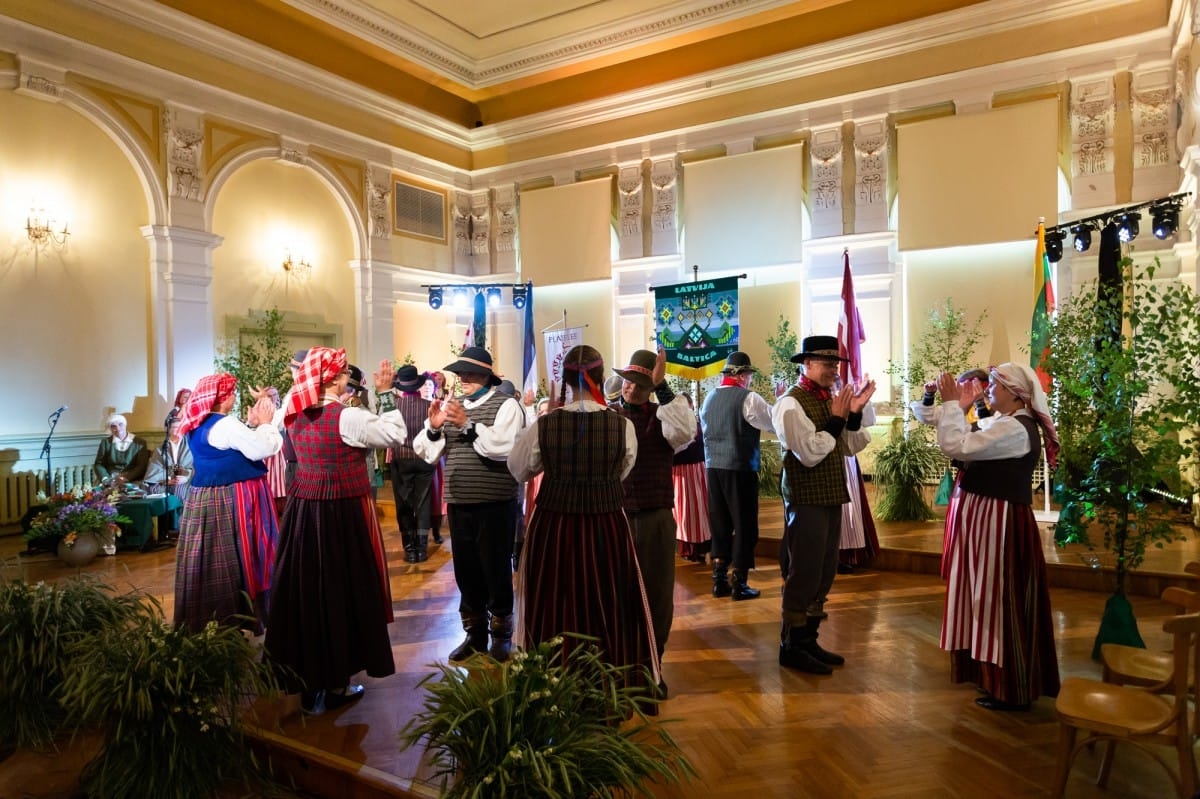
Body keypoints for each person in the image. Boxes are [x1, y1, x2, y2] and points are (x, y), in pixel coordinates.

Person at [508, 344, 661, 696]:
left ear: (565, 380)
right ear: (600, 376)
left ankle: (551, 687)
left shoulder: (545, 425)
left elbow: (519, 470)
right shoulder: (621, 427)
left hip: (554, 528)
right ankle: (609, 685)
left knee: (554, 602)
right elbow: (623, 471)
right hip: (605, 524)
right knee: (609, 602)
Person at [265, 348, 409, 716]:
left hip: (302, 512)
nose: (347, 376)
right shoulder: (348, 417)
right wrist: (388, 393)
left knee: (304, 593)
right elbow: (395, 434)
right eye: (344, 372)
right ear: (334, 379)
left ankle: (307, 679)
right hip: (339, 513)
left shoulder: (293, 414)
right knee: (340, 593)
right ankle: (334, 683)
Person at [928, 362, 1061, 711]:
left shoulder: (1016, 430)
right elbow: (967, 438)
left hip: (998, 523)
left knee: (998, 599)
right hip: (990, 520)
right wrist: (956, 407)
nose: (989, 391)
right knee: (986, 599)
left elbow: (956, 445)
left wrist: (954, 405)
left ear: (1015, 395)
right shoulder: (1006, 424)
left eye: (995, 387)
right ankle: (992, 677)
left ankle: (1011, 686)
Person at [413, 346, 525, 662]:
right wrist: (434, 427)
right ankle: (474, 634)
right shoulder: (454, 405)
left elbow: (503, 448)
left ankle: (501, 634)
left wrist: (467, 424)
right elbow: (428, 452)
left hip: (494, 501)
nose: (463, 378)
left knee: (496, 568)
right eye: (460, 372)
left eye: (470, 373)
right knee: (466, 570)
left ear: (487, 375)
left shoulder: (507, 406)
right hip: (459, 500)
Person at [772, 335, 875, 674]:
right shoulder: (791, 403)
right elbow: (811, 452)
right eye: (827, 363)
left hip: (831, 495)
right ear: (807, 364)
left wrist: (853, 416)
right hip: (806, 498)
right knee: (804, 572)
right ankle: (791, 645)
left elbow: (848, 446)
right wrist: (835, 419)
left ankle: (808, 639)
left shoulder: (830, 399)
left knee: (825, 571)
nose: (833, 369)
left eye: (836, 364)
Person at [173, 374, 281, 634]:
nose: (234, 396)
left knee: (213, 556)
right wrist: (266, 424)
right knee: (248, 552)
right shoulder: (226, 424)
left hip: (206, 497)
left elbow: (227, 444)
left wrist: (250, 423)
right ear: (224, 398)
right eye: (232, 392)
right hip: (236, 496)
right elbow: (262, 449)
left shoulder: (201, 424)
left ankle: (212, 617)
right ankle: (244, 612)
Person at [610, 347, 695, 669]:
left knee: (657, 595)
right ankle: (619, 661)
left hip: (655, 516)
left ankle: (651, 663)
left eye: (641, 384)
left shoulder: (663, 417)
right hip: (614, 516)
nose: (631, 388)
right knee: (616, 592)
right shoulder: (608, 417)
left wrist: (663, 387)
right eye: (628, 382)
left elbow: (686, 432)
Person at [699, 351, 775, 599]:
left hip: (713, 467)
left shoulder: (709, 398)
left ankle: (719, 580)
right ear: (742, 376)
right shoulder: (749, 398)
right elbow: (773, 423)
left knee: (720, 523)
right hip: (740, 467)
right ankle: (739, 583)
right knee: (745, 525)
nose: (750, 379)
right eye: (749, 375)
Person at [387, 364, 436, 563]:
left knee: (403, 502)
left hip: (401, 460)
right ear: (418, 385)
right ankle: (422, 549)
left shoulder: (394, 408)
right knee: (423, 502)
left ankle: (409, 549)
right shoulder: (428, 406)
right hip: (424, 459)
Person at [673, 393, 710, 564]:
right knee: (685, 512)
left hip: (698, 471)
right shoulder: (673, 426)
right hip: (680, 474)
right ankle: (689, 548)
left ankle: (700, 547)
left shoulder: (698, 424)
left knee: (699, 511)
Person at [143, 413, 194, 538]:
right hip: (167, 481)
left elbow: (195, 465)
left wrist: (186, 477)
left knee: (179, 489)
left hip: (187, 480)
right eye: (174, 427)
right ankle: (161, 528)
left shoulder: (191, 445)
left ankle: (179, 526)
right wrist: (168, 480)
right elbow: (154, 469)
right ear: (168, 430)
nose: (177, 430)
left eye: (179, 427)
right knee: (153, 489)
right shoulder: (161, 449)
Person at [93, 414, 150, 483]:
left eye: (120, 424)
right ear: (110, 429)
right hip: (110, 479)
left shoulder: (139, 443)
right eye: (113, 426)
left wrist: (127, 477)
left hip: (132, 480)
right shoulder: (106, 443)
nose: (118, 429)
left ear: (125, 425)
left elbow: (141, 466)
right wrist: (105, 478)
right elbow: (99, 464)